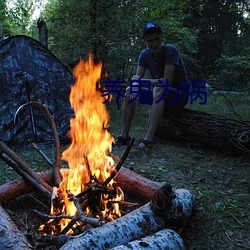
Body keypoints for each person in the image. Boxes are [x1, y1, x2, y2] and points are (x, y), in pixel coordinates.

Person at [115, 21, 189, 148]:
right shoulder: (144, 54)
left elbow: (167, 81)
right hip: (160, 95)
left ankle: (148, 139)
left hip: (179, 95)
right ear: (145, 41)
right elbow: (137, 78)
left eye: (157, 39)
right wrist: (134, 85)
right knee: (128, 90)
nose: (154, 43)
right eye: (150, 40)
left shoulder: (171, 50)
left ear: (161, 37)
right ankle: (124, 136)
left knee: (159, 87)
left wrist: (139, 81)